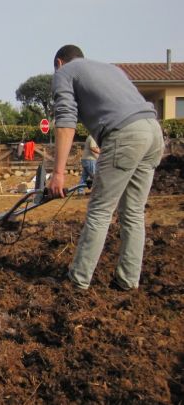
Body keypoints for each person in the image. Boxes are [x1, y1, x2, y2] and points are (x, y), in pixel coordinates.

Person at [48, 44, 163, 291]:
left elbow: (66, 121)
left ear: (59, 62)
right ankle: (127, 280)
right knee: (133, 213)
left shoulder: (64, 73)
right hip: (153, 131)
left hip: (125, 135)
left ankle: (78, 281)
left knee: (100, 211)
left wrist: (58, 174)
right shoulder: (111, 70)